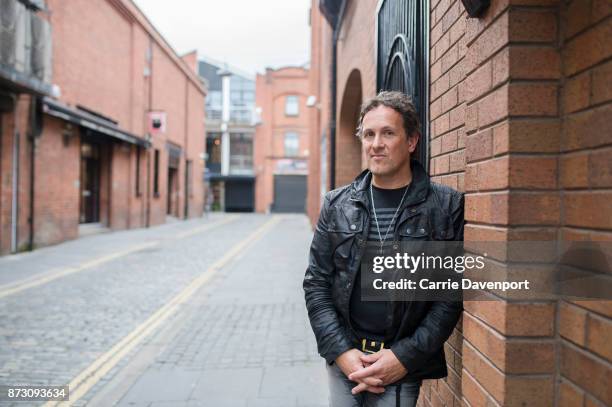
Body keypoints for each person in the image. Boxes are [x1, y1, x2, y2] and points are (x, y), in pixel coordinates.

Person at [303, 91, 463, 407]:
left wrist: (403, 357)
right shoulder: (337, 205)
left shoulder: (444, 206)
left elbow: (448, 296)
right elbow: (316, 285)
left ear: (412, 141)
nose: (376, 143)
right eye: (369, 134)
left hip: (399, 367)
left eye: (388, 133)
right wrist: (342, 352)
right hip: (345, 362)